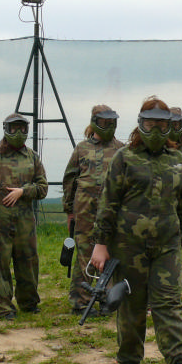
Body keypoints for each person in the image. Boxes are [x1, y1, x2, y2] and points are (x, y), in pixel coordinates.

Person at [90, 97, 182, 364]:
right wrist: (101, 243)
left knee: (169, 303)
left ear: (170, 128)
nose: (155, 131)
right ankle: (129, 361)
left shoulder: (179, 160)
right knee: (131, 304)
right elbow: (108, 202)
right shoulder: (124, 158)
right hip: (128, 246)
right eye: (150, 124)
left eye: (162, 125)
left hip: (167, 245)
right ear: (140, 125)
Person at [0, 113, 48, 320]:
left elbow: (43, 187)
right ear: (6, 130)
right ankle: (2, 307)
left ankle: (29, 303)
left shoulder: (32, 157)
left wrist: (23, 191)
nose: (18, 132)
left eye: (22, 128)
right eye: (14, 128)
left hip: (25, 221)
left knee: (28, 262)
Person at [62, 105, 123, 315]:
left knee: (110, 252)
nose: (108, 126)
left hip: (112, 209)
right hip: (85, 208)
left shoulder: (121, 149)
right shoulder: (81, 148)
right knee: (85, 252)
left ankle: (107, 299)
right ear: (95, 123)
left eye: (111, 122)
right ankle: (81, 302)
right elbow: (70, 180)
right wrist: (69, 211)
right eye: (104, 122)